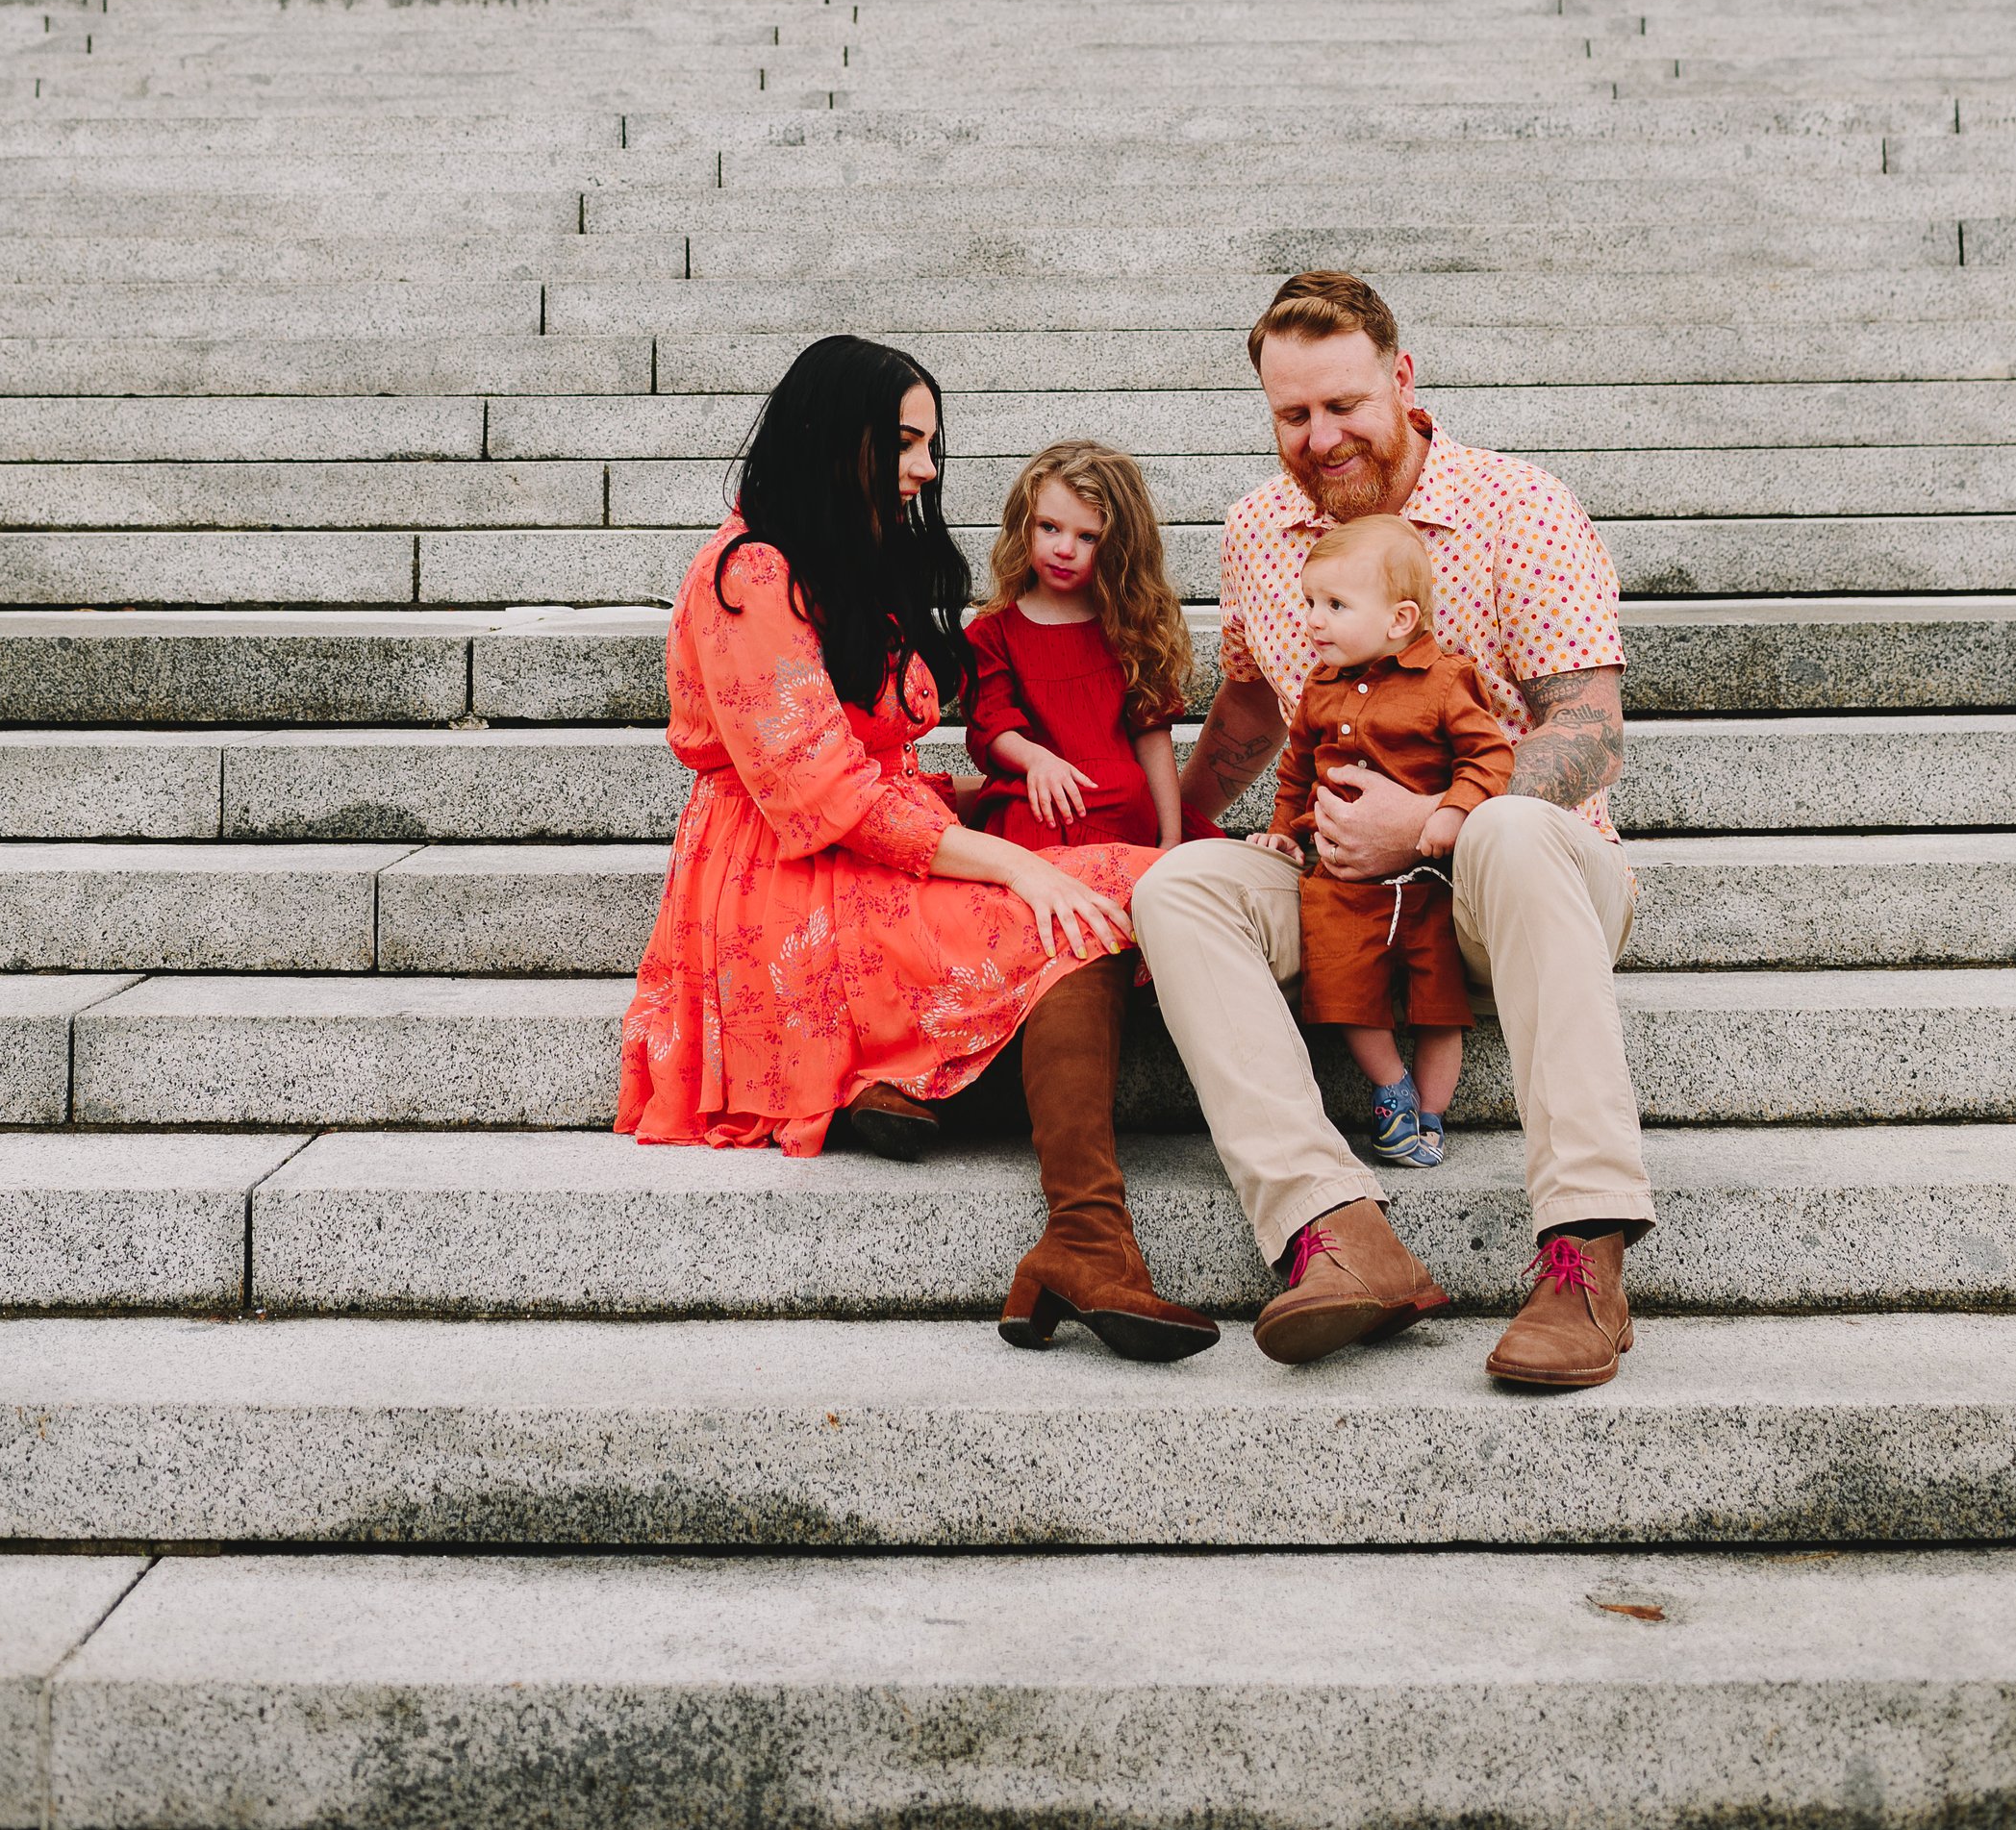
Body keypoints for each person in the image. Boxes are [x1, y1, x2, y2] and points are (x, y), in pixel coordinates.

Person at [617, 335, 1217, 1363]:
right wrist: (1012, 857)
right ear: (833, 434)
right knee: (1069, 894)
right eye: (904, 442)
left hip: (858, 841)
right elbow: (822, 788)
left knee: (1099, 882)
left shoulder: (840, 549)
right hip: (783, 876)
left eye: (929, 444)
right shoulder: (750, 571)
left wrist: (991, 808)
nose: (928, 469)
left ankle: (1067, 1225)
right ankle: (1079, 1230)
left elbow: (874, 765)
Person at [1131, 268, 1654, 1390]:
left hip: (1524, 884)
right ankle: (1338, 1235)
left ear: (1401, 380)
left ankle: (1584, 1254)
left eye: (1343, 406)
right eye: (1292, 414)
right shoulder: (1257, 532)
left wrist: (1436, 820)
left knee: (1507, 830)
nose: (1320, 438)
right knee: (1177, 890)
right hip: (1348, 896)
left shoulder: (1518, 505)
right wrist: (1162, 821)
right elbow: (1253, 707)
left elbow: (1593, 727)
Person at [1247, 512, 1515, 1172]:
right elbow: (1296, 768)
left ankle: (1430, 1116)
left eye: (1335, 604)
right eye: (1311, 601)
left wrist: (1452, 811)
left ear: (1399, 620)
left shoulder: (1448, 681)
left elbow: (1489, 756)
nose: (1313, 618)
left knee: (1440, 1008)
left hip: (1426, 883)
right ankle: (1391, 1091)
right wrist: (1283, 830)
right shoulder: (1320, 688)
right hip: (1341, 886)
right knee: (1343, 989)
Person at [964, 440, 1210, 855]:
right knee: (1025, 815)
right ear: (1024, 525)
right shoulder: (993, 633)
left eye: (1088, 537)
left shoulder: (1129, 629)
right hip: (1038, 806)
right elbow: (993, 725)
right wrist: (1037, 760)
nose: (1064, 549)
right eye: (1049, 527)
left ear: (1117, 546)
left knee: (1130, 798)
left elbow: (1152, 738)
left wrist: (1170, 839)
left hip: (1121, 810)